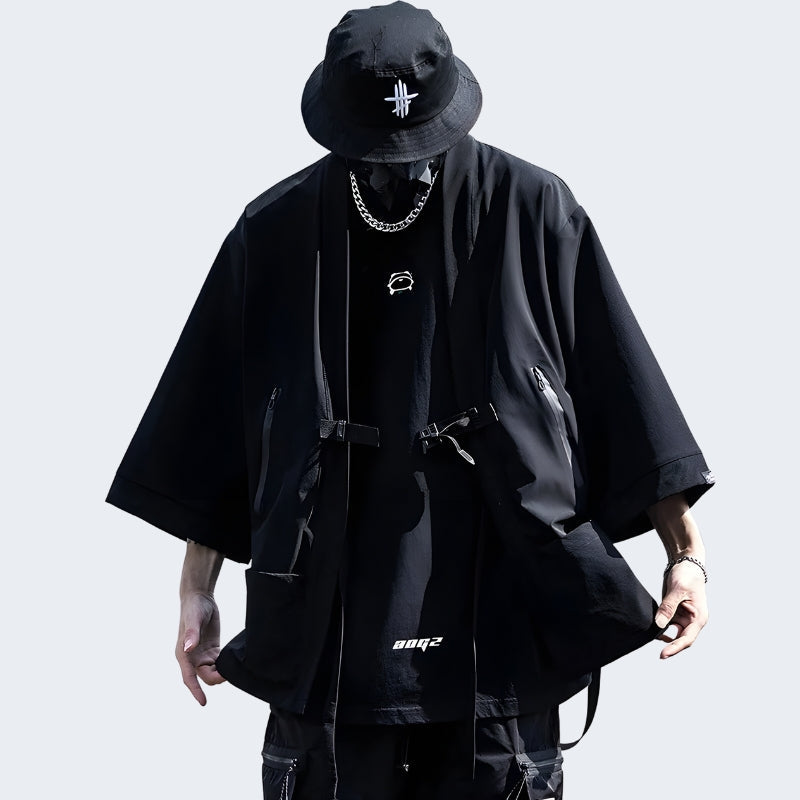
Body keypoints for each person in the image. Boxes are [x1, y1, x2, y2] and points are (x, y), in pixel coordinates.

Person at [105, 3, 715, 798]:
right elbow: (219, 423)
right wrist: (195, 589)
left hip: (501, 622)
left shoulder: (531, 208)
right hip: (325, 633)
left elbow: (620, 385)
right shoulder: (275, 231)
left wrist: (686, 555)